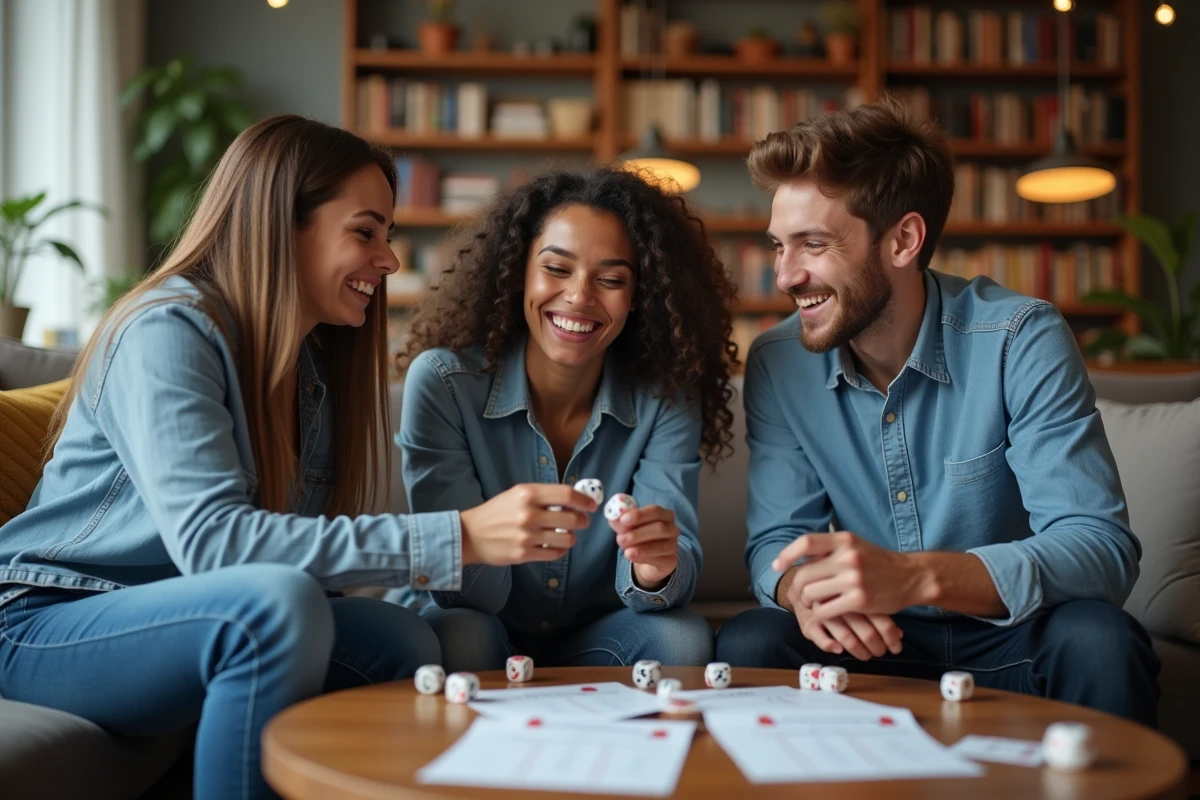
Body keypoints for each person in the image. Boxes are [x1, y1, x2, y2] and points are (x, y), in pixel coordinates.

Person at [0, 115, 596, 799]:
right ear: (282, 223)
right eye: (365, 231)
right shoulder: (166, 330)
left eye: (389, 235)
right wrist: (460, 536)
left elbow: (298, 558)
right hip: (45, 620)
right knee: (274, 604)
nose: (390, 259)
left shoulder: (309, 370)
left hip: (175, 620)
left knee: (403, 642)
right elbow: (216, 545)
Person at [713, 99, 1160, 726]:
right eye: (778, 246)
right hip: (869, 645)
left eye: (812, 244)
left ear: (903, 239)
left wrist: (916, 577)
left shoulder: (1017, 337)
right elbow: (779, 541)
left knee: (1098, 637)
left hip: (1010, 639)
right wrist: (800, 592)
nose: (786, 275)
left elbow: (1099, 547)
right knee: (752, 641)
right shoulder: (779, 361)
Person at [394, 167, 739, 672]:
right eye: (557, 269)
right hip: (477, 617)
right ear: (519, 274)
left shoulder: (666, 396)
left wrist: (654, 569)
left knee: (682, 641)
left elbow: (667, 573)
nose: (580, 296)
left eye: (612, 279)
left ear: (639, 297)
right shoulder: (445, 384)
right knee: (462, 638)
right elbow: (458, 591)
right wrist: (490, 537)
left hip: (597, 632)